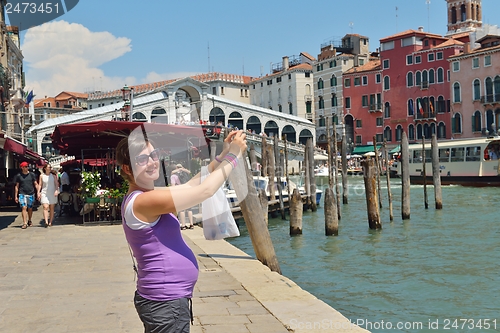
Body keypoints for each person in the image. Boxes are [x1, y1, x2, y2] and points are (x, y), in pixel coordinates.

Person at [116, 129, 246, 333]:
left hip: (166, 300)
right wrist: (233, 156)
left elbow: (192, 184)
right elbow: (205, 191)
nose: (152, 162)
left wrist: (222, 156)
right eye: (142, 159)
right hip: (165, 302)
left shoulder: (145, 194)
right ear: (127, 168)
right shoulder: (143, 200)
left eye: (154, 154)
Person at [14, 162, 40, 229]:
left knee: (30, 208)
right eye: (25, 167)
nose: (26, 168)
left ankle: (29, 220)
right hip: (22, 193)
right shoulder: (19, 176)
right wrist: (16, 196)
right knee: (24, 207)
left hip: (31, 193)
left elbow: (35, 183)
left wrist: (38, 192)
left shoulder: (32, 175)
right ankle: (24, 223)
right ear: (22, 167)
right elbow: (17, 186)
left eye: (27, 166)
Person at [171, 164, 194, 230]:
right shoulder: (186, 174)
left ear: (176, 168)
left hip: (180, 192)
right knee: (189, 209)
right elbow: (190, 173)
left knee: (182, 210)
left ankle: (183, 225)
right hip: (188, 192)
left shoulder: (174, 176)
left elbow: (173, 186)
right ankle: (191, 224)